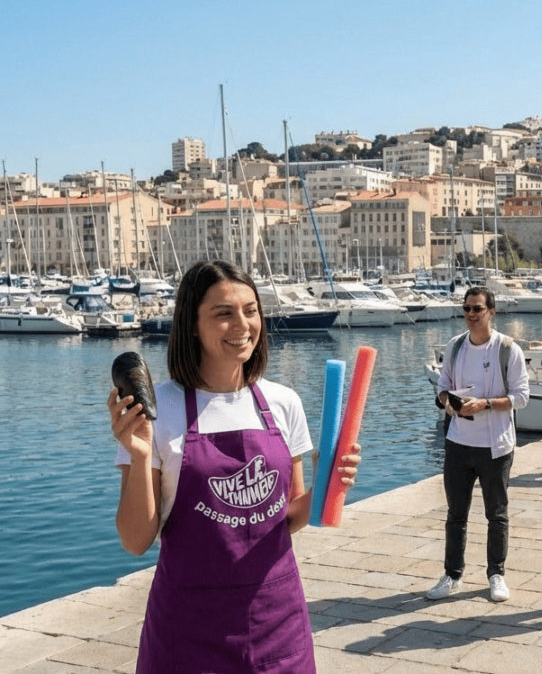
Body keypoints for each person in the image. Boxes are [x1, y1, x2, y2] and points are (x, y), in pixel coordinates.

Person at [108, 260, 360, 673]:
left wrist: (332, 486)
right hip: (187, 631)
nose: (242, 324)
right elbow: (136, 541)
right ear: (191, 324)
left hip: (277, 621)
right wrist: (138, 455)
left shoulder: (283, 403)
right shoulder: (160, 411)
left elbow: (289, 516)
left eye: (250, 310)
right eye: (223, 313)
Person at [430, 287, 530, 602]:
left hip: (495, 446)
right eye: (468, 309)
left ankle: (496, 574)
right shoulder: (455, 346)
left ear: (492, 311)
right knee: (455, 514)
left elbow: (522, 397)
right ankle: (452, 574)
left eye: (478, 309)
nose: (472, 315)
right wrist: (449, 402)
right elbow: (443, 387)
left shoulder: (507, 349)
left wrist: (484, 404)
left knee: (496, 514)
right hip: (458, 442)